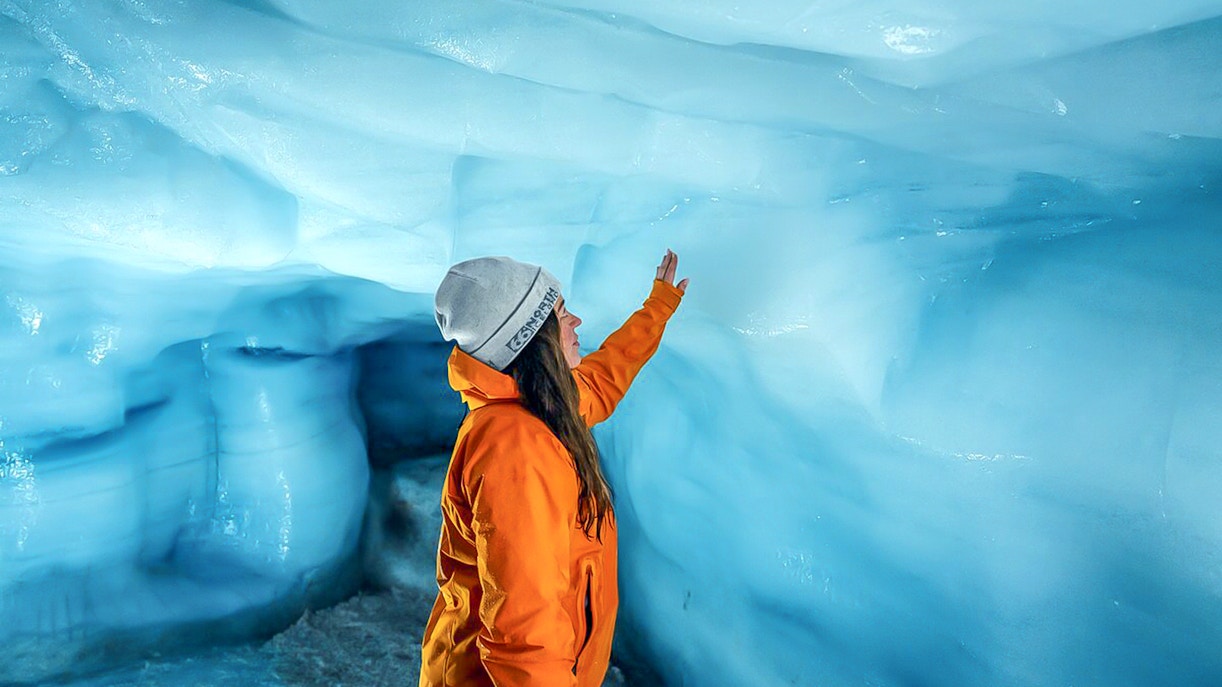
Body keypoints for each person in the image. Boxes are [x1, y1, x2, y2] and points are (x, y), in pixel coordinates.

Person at [420, 250, 688, 687]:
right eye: (562, 313)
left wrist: (657, 308)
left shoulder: (537, 407)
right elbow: (525, 633)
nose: (576, 322)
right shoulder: (516, 448)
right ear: (531, 338)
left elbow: (601, 381)